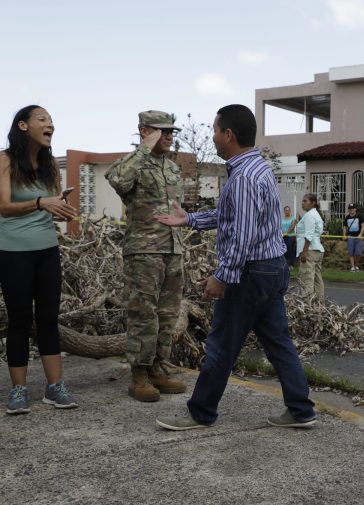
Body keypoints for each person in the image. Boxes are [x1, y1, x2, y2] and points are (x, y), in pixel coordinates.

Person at [154, 104, 316, 430]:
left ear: (229, 135)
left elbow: (241, 235)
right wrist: (190, 219)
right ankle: (301, 409)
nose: (212, 137)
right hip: (271, 268)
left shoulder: (242, 178)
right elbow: (233, 217)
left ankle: (200, 411)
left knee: (220, 345)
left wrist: (222, 276)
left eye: (214, 130)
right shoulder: (258, 169)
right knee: (279, 343)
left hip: (250, 272)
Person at [0, 105, 79, 414]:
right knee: (19, 319)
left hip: (47, 249)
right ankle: (18, 390)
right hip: (13, 250)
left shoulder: (48, 164)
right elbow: (3, 207)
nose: (50, 125)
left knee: (48, 318)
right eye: (42, 119)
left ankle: (54, 387)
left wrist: (59, 204)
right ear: (23, 125)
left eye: (51, 121)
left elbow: (52, 202)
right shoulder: (5, 160)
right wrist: (39, 202)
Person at [106, 111, 187, 402]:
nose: (168, 136)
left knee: (167, 314)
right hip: (144, 251)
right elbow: (117, 181)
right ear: (144, 132)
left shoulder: (172, 168)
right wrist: (143, 149)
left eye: (171, 131)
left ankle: (156, 368)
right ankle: (138, 374)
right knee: (143, 314)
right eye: (161, 131)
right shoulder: (133, 163)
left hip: (172, 249)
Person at [296, 193, 325, 299]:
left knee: (307, 280)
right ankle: (319, 306)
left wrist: (304, 252)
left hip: (310, 250)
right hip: (317, 250)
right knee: (317, 279)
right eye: (302, 201)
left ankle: (307, 307)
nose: (302, 203)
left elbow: (308, 235)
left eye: (305, 201)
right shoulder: (316, 214)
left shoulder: (309, 215)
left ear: (313, 203)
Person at [343, 203, 364, 272]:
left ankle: (356, 265)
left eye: (352, 209)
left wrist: (360, 234)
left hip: (358, 237)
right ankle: (352, 267)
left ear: (355, 209)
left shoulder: (359, 216)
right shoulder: (347, 217)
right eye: (350, 209)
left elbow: (363, 226)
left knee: (358, 253)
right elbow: (344, 226)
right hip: (350, 237)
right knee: (351, 252)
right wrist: (344, 235)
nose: (351, 210)